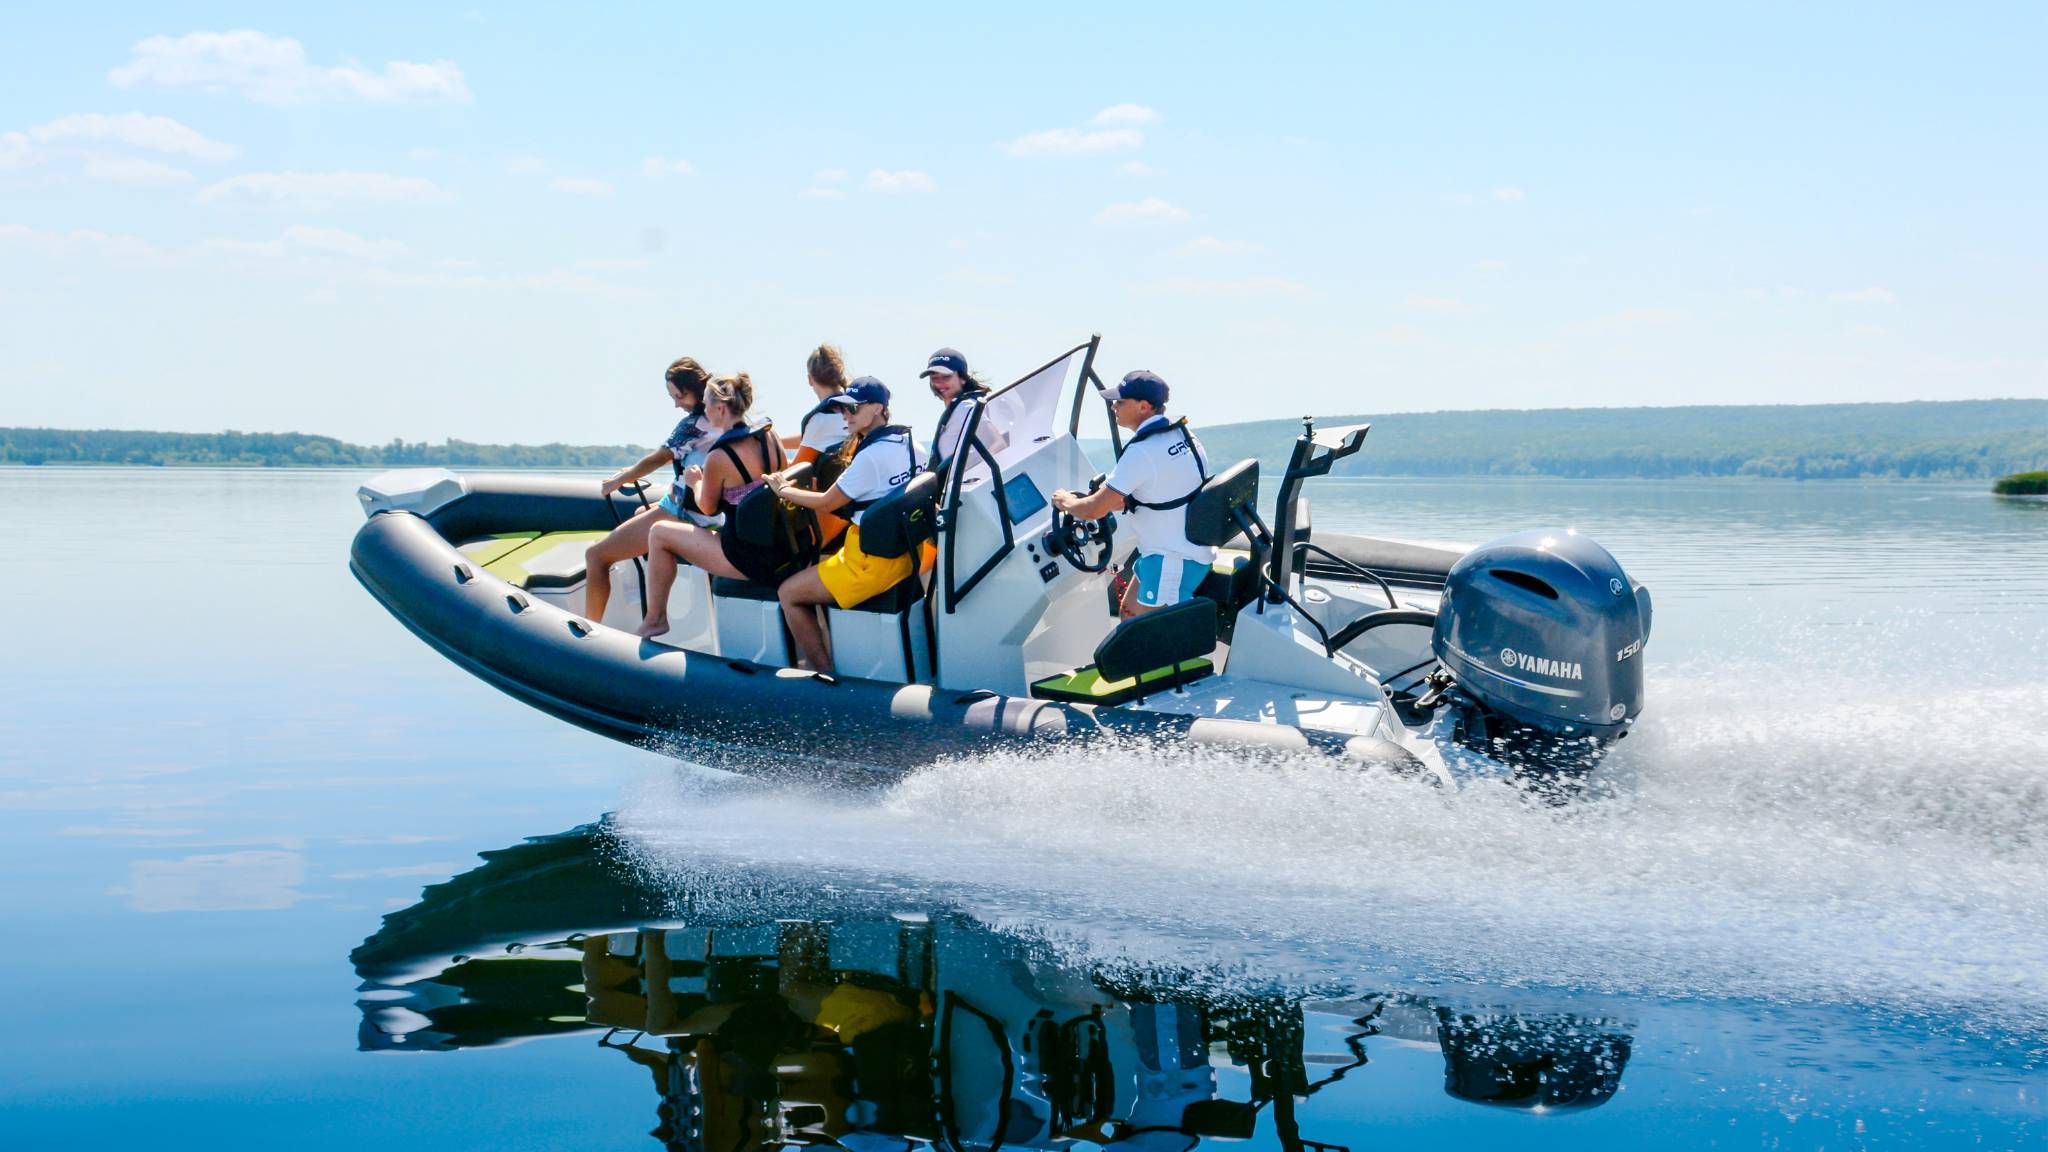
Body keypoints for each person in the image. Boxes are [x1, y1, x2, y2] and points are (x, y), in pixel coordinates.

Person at [765, 378, 926, 673]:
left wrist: (783, 490)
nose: (846, 416)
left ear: (878, 408)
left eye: (853, 408)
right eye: (842, 410)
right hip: (904, 557)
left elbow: (827, 502)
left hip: (867, 565)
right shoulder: (912, 444)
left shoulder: (870, 457)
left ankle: (823, 673)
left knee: (788, 592)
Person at [635, 373, 792, 637]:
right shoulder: (771, 437)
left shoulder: (720, 456)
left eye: (707, 405)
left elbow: (707, 508)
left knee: (659, 533)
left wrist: (694, 481)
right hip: (779, 548)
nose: (704, 411)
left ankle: (655, 620)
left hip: (745, 557)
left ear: (720, 408)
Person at [1050, 370, 1216, 617]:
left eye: (1120, 402)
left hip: (1172, 562)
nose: (1113, 407)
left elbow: (1093, 509)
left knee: (1144, 644)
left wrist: (1066, 501)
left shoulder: (1142, 452)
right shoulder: (1184, 435)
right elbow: (1168, 488)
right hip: (1182, 553)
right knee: (1127, 614)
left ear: (1144, 406)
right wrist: (1121, 499)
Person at [583, 357, 715, 623]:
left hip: (682, 511)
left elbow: (659, 457)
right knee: (640, 511)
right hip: (704, 509)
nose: (676, 403)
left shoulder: (693, 424)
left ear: (695, 390)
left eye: (679, 396)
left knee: (595, 556)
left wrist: (621, 479)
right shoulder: (723, 417)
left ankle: (589, 629)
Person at [782, 343, 852, 545]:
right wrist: (776, 441)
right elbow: (814, 439)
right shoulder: (853, 408)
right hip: (858, 503)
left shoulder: (820, 419)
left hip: (832, 512)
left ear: (810, 379)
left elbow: (794, 472)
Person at [921, 347, 1006, 479]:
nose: (939, 383)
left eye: (946, 377)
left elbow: (997, 444)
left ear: (963, 378)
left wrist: (975, 480)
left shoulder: (966, 407)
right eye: (934, 378)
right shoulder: (957, 410)